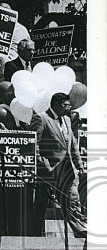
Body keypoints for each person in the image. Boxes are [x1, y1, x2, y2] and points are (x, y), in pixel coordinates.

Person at [31, 92, 86, 238]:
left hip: (66, 170)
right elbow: (33, 145)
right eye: (65, 105)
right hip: (47, 169)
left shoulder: (67, 120)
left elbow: (73, 144)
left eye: (68, 105)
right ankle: (35, 233)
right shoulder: (41, 118)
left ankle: (80, 231)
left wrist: (79, 163)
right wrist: (43, 166)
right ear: (55, 104)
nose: (68, 108)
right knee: (41, 204)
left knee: (73, 198)